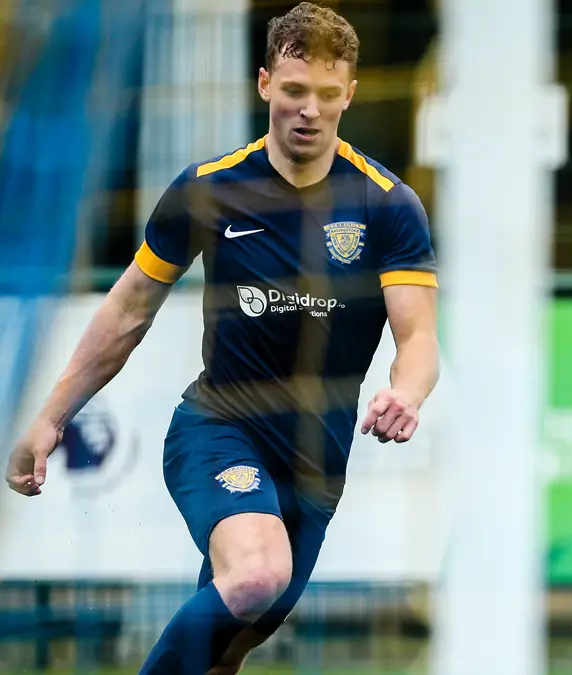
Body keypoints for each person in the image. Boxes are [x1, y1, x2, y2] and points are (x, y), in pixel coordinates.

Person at [4, 4, 439, 673]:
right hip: (218, 426)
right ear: (265, 83)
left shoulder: (387, 204)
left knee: (223, 650)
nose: (309, 111)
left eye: (327, 95)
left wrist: (406, 393)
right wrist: (50, 416)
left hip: (316, 465)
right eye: (294, 91)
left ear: (349, 94)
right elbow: (127, 311)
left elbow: (418, 340)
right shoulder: (207, 190)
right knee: (258, 573)